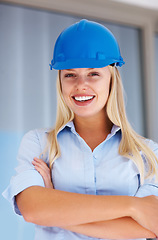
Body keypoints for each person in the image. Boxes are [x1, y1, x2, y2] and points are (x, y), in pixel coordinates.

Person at [2, 19, 158, 240]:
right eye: (70, 74)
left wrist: (55, 207)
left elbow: (151, 226)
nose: (80, 85)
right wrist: (133, 206)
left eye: (93, 74)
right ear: (60, 81)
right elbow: (33, 208)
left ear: (111, 80)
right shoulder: (38, 143)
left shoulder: (149, 154)